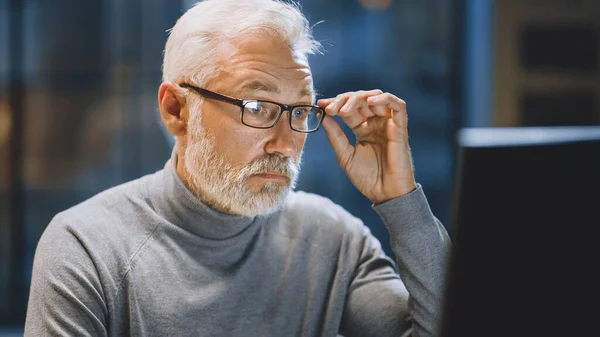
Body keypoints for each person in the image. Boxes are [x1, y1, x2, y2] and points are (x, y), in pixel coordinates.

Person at [24, 0, 451, 336]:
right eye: (257, 106)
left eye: (299, 111)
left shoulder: (334, 240)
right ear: (176, 110)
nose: (285, 143)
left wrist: (401, 200)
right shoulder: (87, 247)